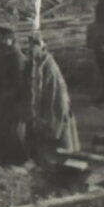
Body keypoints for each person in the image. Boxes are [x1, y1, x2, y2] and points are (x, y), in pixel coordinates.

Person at [25, 36, 80, 167]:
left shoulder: (49, 66)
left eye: (34, 46)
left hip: (55, 108)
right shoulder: (37, 62)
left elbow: (55, 93)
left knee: (60, 141)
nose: (30, 49)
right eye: (30, 46)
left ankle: (66, 167)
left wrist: (50, 118)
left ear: (42, 47)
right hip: (45, 109)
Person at [0, 24, 29, 166]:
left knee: (13, 138)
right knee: (0, 137)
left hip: (11, 106)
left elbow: (19, 86)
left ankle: (15, 166)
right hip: (0, 105)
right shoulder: (2, 54)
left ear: (8, 38)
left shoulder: (16, 58)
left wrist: (1, 99)